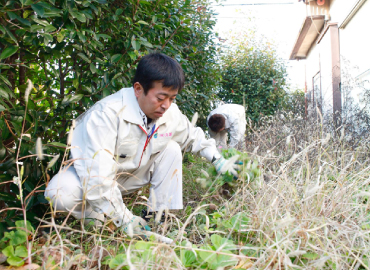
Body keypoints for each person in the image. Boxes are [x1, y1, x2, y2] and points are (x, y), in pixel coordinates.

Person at [45, 52, 240, 239]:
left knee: (172, 148)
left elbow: (192, 136)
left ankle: (157, 216)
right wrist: (125, 220)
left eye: (172, 98)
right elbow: (98, 178)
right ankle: (96, 221)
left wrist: (217, 159)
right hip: (93, 180)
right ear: (138, 89)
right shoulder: (105, 115)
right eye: (161, 98)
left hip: (131, 177)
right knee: (60, 194)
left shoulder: (168, 112)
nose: (166, 105)